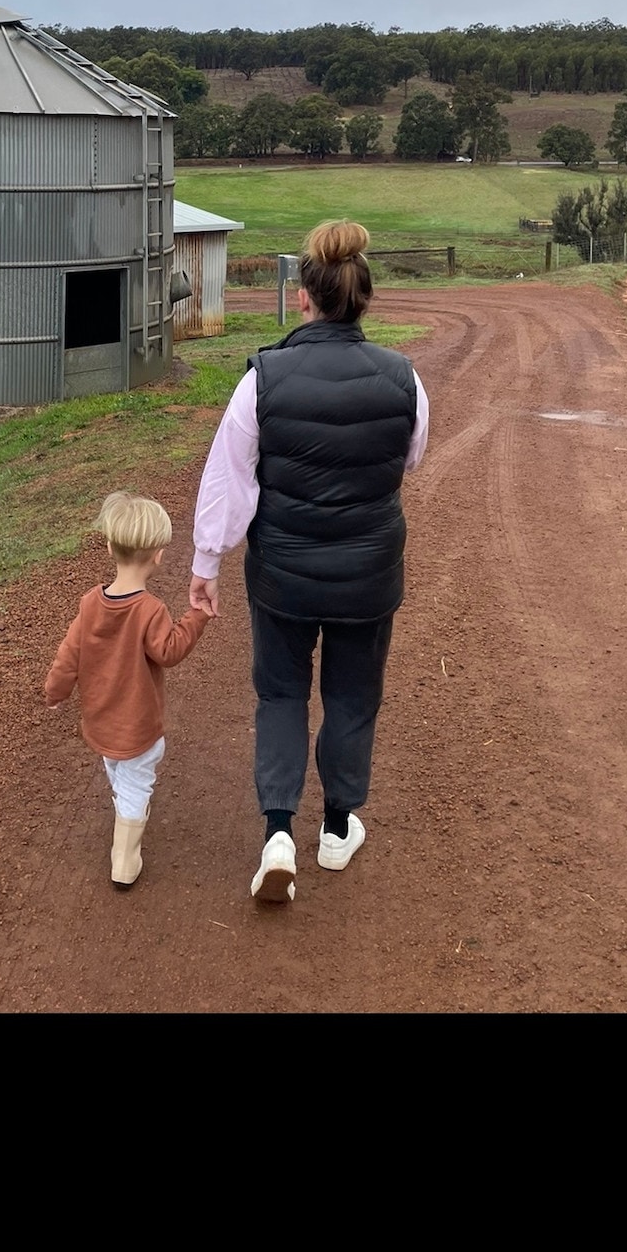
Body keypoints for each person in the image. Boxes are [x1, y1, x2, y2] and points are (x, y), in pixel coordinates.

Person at [190, 220, 428, 905]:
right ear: (363, 300)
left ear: (303, 298)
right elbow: (407, 458)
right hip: (368, 575)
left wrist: (204, 564)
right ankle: (334, 826)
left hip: (281, 576)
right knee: (352, 698)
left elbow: (228, 481)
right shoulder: (404, 380)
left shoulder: (261, 379)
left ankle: (275, 833)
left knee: (280, 696)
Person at [45, 492, 210, 888]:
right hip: (137, 724)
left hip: (100, 723)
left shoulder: (90, 603)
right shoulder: (149, 609)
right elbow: (168, 651)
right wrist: (197, 617)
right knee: (136, 783)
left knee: (119, 773)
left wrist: (55, 691)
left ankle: (128, 818)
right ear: (157, 555)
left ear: (108, 546)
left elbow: (68, 654)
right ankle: (124, 859)